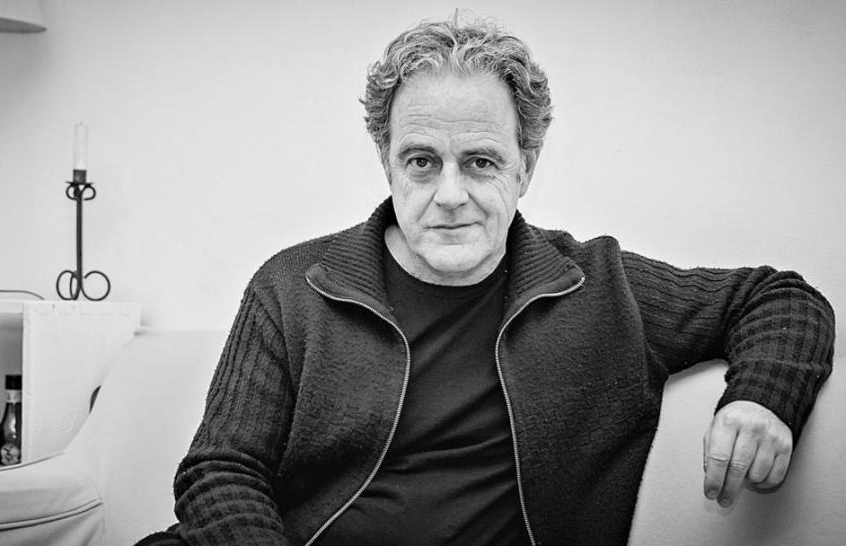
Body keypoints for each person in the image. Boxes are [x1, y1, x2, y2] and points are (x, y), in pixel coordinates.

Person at [146, 15, 835, 546]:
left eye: (480, 161)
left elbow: (775, 297)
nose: (450, 195)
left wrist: (762, 398)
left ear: (524, 167)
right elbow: (220, 469)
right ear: (387, 163)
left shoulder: (599, 286)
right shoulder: (295, 286)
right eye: (422, 161)